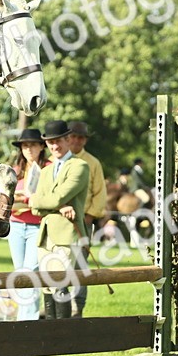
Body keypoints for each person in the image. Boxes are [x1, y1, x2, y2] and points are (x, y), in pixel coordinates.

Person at [30, 120, 90, 319]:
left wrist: (48, 202)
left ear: (68, 140)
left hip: (67, 234)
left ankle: (63, 334)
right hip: (45, 236)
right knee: (46, 286)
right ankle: (50, 333)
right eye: (50, 143)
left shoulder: (80, 166)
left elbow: (53, 198)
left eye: (58, 141)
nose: (54, 146)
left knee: (60, 282)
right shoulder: (46, 170)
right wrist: (60, 207)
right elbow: (34, 206)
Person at [6, 128, 48, 320]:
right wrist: (21, 199)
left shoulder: (48, 169)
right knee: (20, 273)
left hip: (37, 227)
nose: (28, 149)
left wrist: (27, 199)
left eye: (32, 144)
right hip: (15, 226)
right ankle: (23, 318)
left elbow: (47, 198)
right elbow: (5, 200)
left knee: (30, 272)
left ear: (41, 146)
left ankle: (28, 321)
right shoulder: (15, 171)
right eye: (25, 145)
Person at [66, 122, 106, 316]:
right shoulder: (55, 159)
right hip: (58, 222)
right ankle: (58, 305)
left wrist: (89, 217)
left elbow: (100, 193)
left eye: (80, 137)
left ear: (85, 140)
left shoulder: (93, 162)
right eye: (72, 136)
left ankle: (77, 306)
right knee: (57, 263)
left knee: (80, 264)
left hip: (84, 220)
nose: (76, 140)